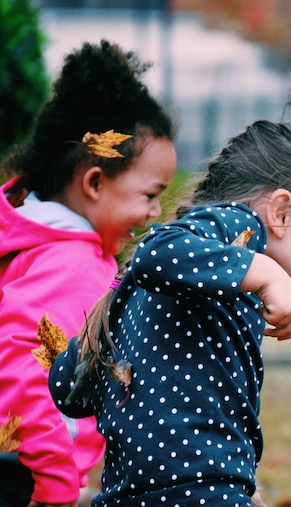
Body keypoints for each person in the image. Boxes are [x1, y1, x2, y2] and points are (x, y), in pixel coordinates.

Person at [48, 119, 291, 506]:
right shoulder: (239, 227)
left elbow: (67, 388)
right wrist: (268, 274)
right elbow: (158, 250)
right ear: (281, 213)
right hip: (202, 493)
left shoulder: (150, 285)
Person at [0, 40, 177, 507]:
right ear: (95, 182)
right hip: (28, 483)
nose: (155, 213)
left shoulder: (34, 242)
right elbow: (25, 370)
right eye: (149, 195)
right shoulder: (70, 264)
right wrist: (56, 483)